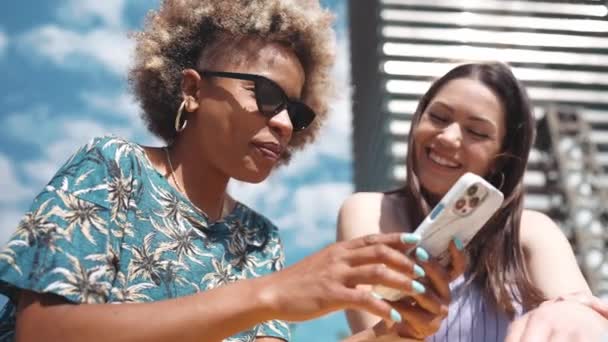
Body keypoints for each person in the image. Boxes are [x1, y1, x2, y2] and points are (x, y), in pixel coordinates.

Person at [0, 1, 427, 341]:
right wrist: (270, 295)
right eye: (264, 94)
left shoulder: (260, 240)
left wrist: (393, 332)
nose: (282, 123)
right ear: (192, 89)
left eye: (295, 112)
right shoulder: (112, 166)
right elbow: (44, 332)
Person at [337, 62, 608, 341]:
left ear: (502, 156)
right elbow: (373, 326)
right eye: (438, 117)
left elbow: (583, 314)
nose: (448, 137)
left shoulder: (531, 229)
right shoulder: (369, 210)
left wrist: (570, 313)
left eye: (477, 132)